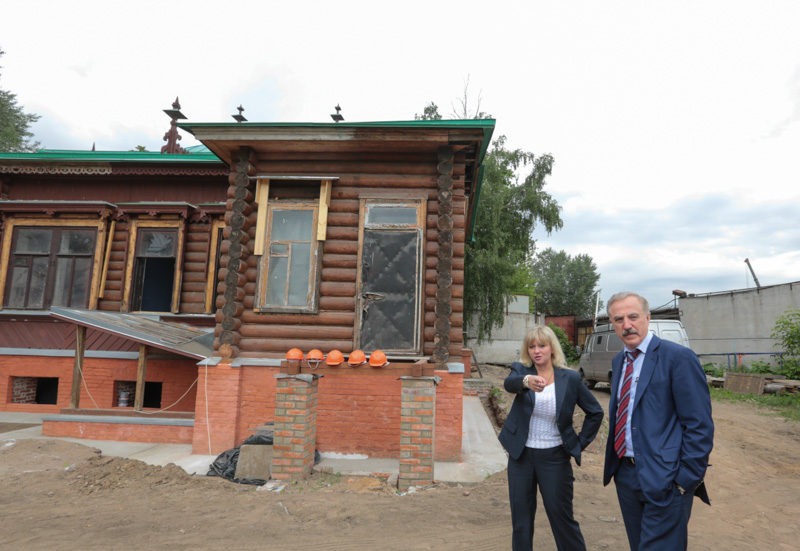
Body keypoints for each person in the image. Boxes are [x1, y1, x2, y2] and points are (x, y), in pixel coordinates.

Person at [602, 292, 714, 550]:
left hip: (666, 477)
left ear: (648, 317)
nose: (627, 325)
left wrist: (685, 480)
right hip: (626, 475)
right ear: (612, 324)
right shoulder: (619, 361)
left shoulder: (678, 357)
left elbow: (699, 425)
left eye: (633, 316)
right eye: (619, 319)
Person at [499, 326, 604, 551]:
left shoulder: (570, 378)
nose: (537, 350)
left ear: (552, 348)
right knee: (521, 521)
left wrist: (578, 444)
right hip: (520, 456)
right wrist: (526, 381)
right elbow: (509, 384)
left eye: (542, 345)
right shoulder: (521, 370)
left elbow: (595, 412)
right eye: (532, 346)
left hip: (555, 456)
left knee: (561, 517)